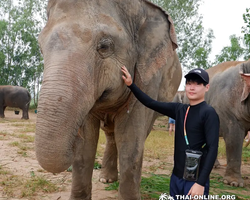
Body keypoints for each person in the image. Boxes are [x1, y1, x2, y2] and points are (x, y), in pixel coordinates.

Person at [121, 66, 219, 199]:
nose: (192, 87)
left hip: (195, 181)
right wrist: (131, 85)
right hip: (176, 178)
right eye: (189, 83)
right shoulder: (180, 110)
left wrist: (200, 183)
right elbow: (150, 103)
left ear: (206, 87)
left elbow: (212, 148)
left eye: (197, 84)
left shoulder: (209, 113)